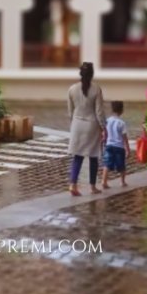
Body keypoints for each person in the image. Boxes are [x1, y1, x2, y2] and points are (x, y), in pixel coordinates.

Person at [67, 62, 106, 196]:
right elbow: (99, 112)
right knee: (94, 156)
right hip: (92, 125)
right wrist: (104, 128)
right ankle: (92, 186)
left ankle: (73, 184)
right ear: (92, 74)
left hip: (77, 125)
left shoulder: (72, 89)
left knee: (77, 156)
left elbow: (70, 112)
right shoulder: (96, 89)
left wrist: (73, 123)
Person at [101, 100, 130, 188]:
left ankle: (104, 181)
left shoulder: (107, 121)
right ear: (121, 110)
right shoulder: (122, 123)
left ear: (112, 109)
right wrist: (127, 149)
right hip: (119, 147)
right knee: (121, 165)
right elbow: (124, 138)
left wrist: (103, 141)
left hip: (109, 145)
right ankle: (122, 181)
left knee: (107, 164)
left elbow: (104, 133)